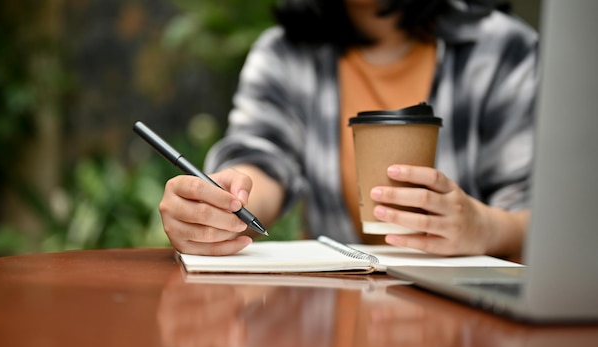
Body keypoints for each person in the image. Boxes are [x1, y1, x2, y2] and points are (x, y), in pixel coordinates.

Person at [159, 0, 538, 259]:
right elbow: (262, 160)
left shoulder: (502, 48)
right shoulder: (284, 53)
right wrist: (222, 208)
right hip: (336, 322)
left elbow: (548, 216)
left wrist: (484, 227)